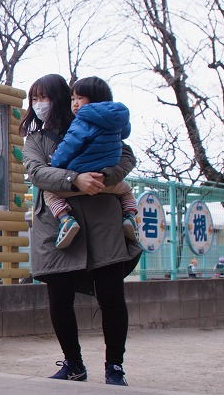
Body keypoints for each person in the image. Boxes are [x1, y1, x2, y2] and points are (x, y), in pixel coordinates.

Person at [21, 74, 142, 386]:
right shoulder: (36, 139)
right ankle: (73, 363)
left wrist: (105, 177)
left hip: (103, 224)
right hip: (55, 229)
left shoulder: (91, 122)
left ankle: (115, 366)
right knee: (59, 299)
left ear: (63, 97)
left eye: (44, 97)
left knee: (112, 296)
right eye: (34, 99)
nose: (39, 105)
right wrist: (75, 180)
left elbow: (126, 154)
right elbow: (36, 172)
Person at [44, 77, 138, 249]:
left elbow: (70, 145)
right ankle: (131, 216)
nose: (75, 103)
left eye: (80, 98)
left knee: (49, 193)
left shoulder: (82, 120)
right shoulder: (118, 120)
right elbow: (125, 134)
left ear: (95, 99)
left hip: (80, 177)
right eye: (73, 99)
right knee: (127, 191)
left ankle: (65, 220)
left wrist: (56, 162)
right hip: (107, 179)